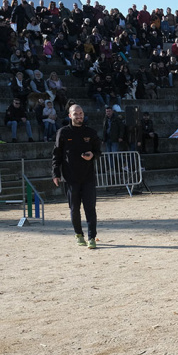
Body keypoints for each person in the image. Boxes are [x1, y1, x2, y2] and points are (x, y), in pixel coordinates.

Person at [52, 105, 102, 249]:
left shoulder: (91, 132)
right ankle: (79, 234)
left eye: (81, 113)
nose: (79, 116)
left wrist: (93, 155)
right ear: (70, 115)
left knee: (90, 208)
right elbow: (56, 155)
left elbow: (98, 151)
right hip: (70, 178)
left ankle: (92, 237)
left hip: (88, 177)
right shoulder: (62, 132)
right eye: (76, 114)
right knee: (74, 209)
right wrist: (55, 173)